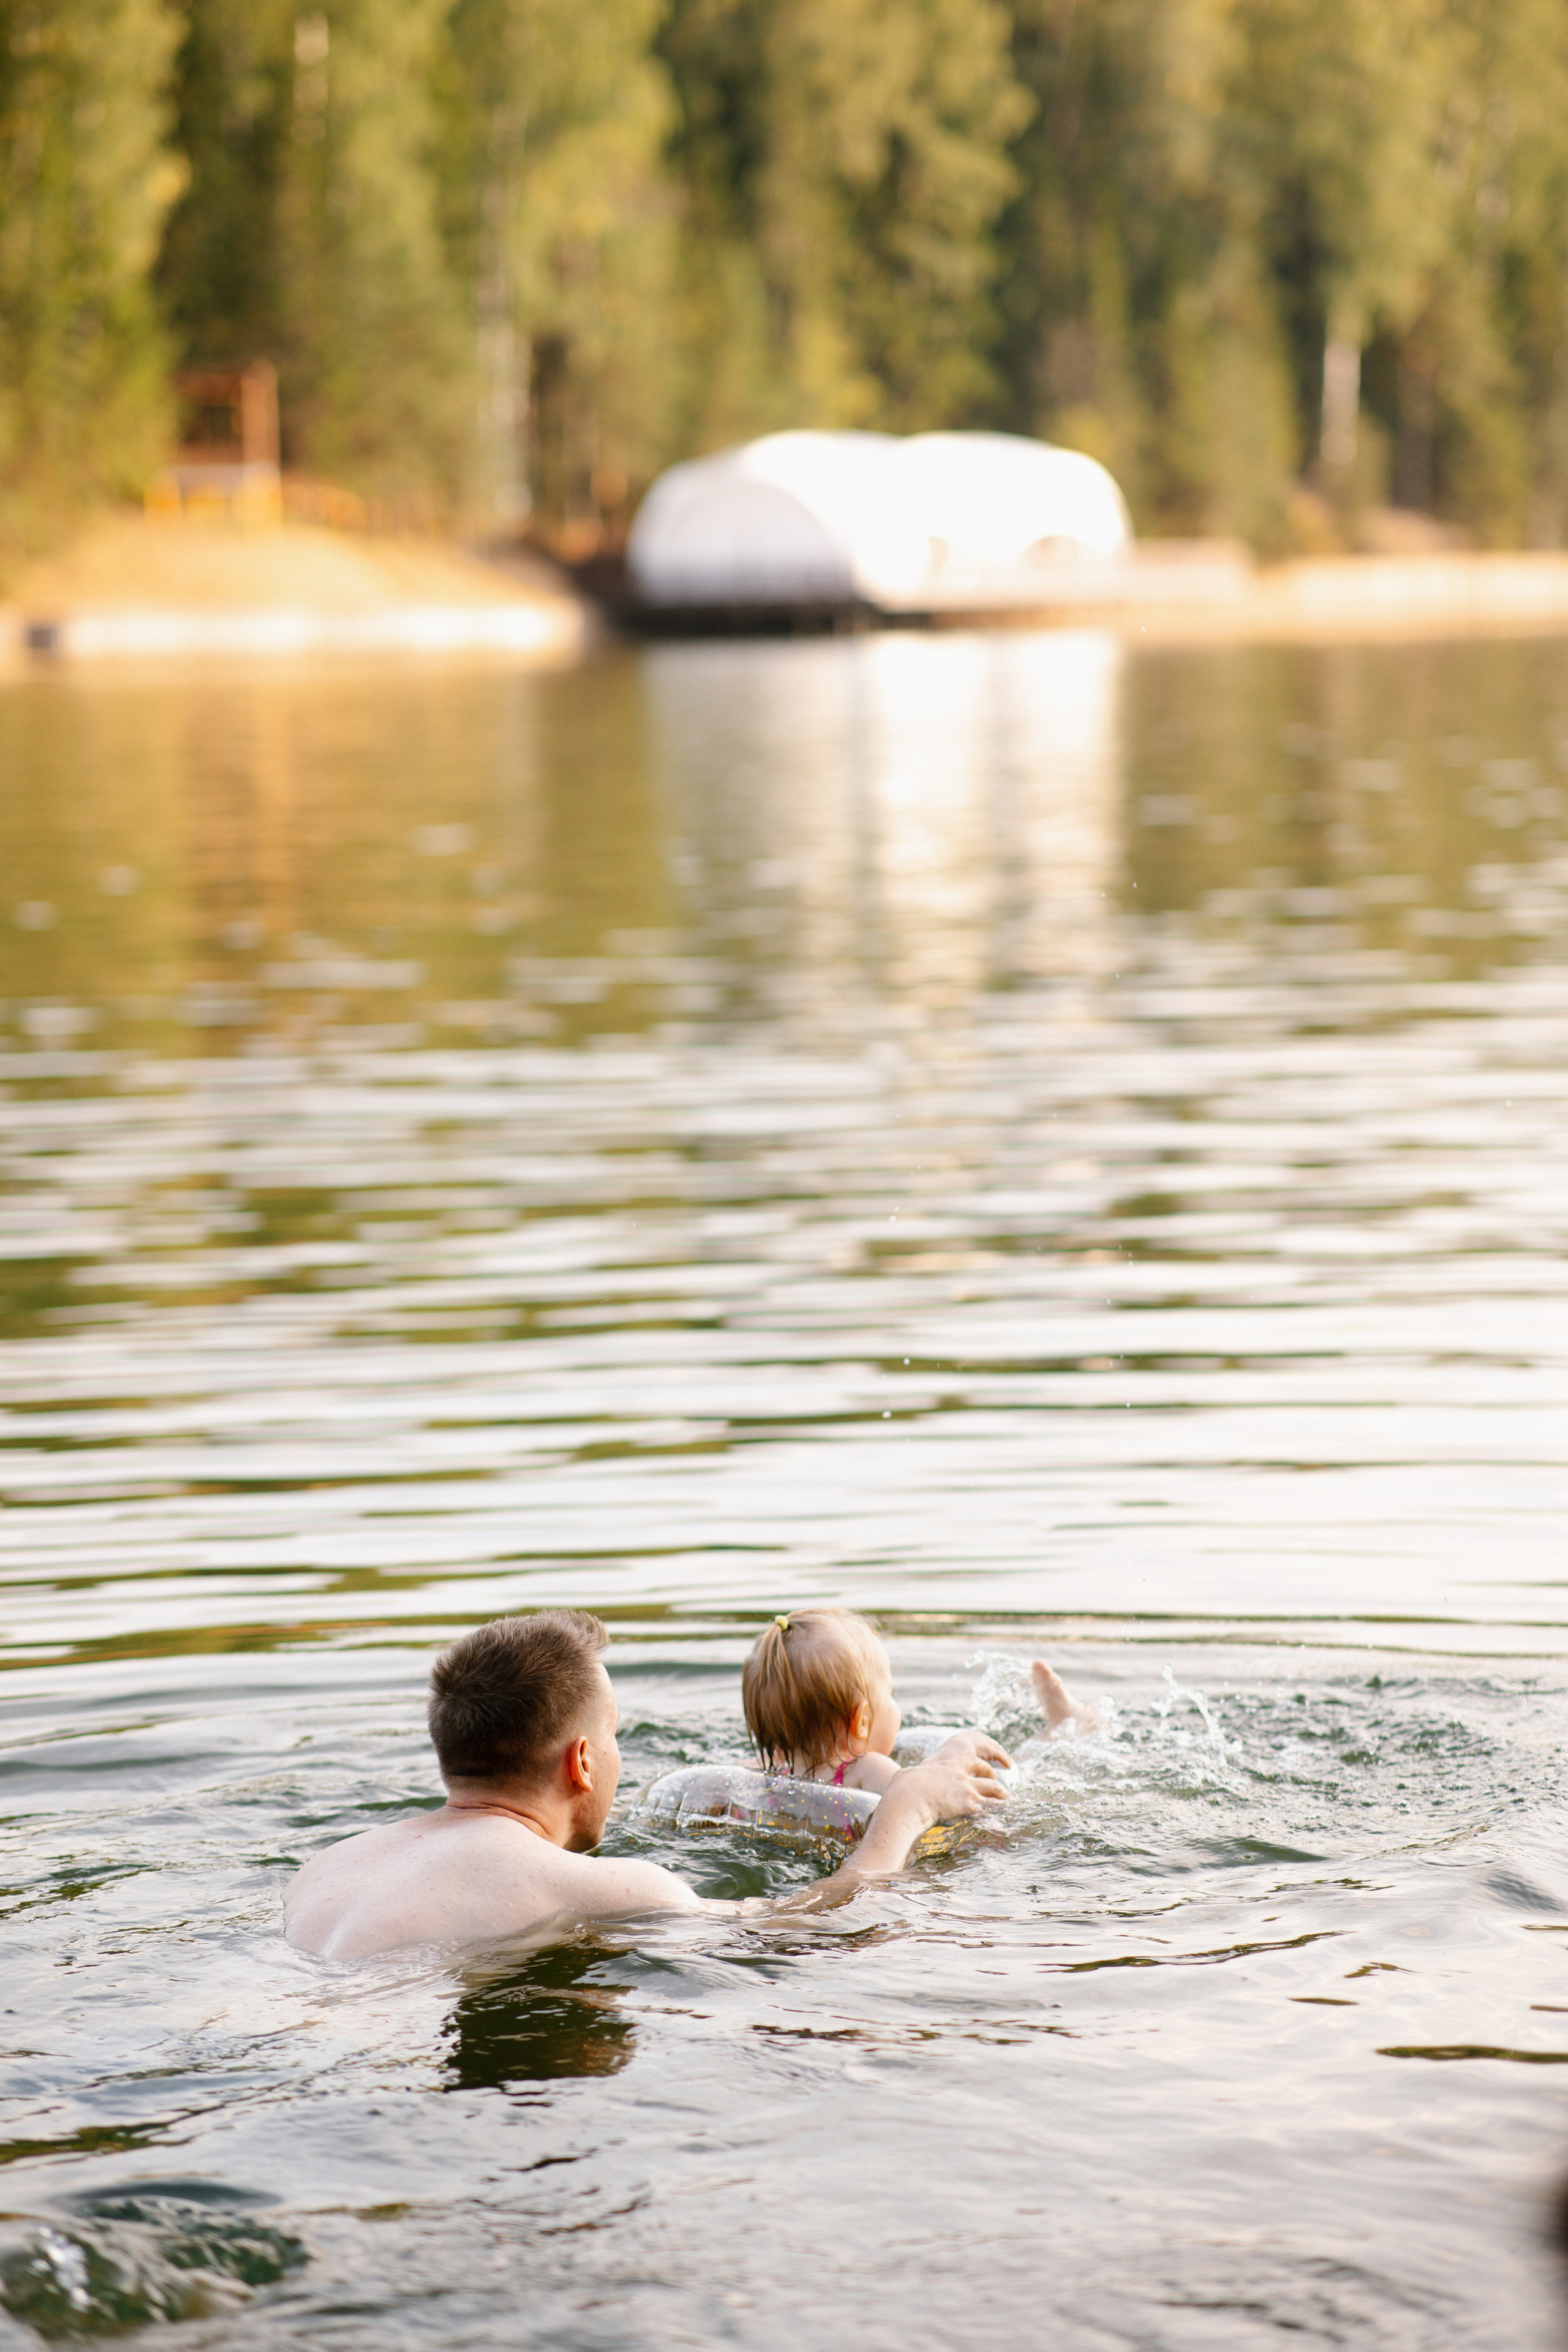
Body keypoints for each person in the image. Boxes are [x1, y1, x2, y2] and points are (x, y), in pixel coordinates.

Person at [284, 1609, 1006, 1962]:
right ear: (582, 1764)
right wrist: (905, 1809)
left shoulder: (329, 1867)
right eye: (616, 1736)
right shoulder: (591, 1886)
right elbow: (800, 1923)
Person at [741, 1606, 1101, 1792]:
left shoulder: (772, 1770)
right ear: (862, 1720)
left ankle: (1063, 1725)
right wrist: (957, 1748)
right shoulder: (866, 1770)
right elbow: (924, 1789)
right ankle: (1068, 1728)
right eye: (890, 1695)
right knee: (1032, 1767)